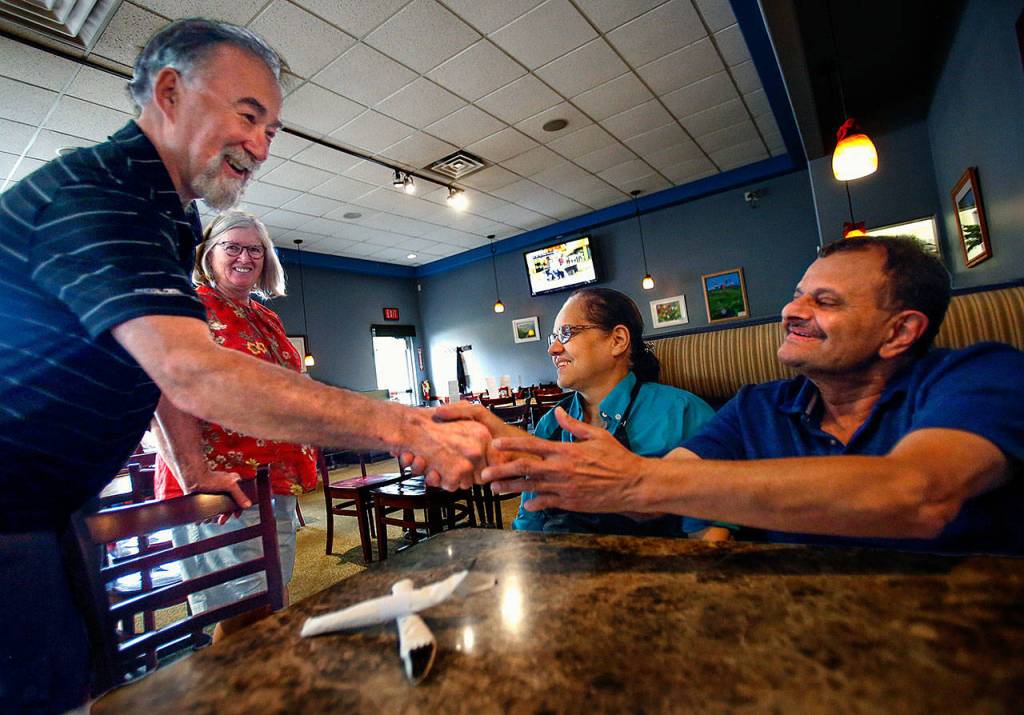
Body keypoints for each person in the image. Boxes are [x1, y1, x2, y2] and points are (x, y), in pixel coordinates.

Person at [0, 18, 488, 714]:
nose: (260, 146)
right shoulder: (100, 191)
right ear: (169, 91)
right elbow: (194, 371)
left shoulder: (169, 219)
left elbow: (158, 369)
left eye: (273, 131)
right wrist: (407, 426)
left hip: (47, 513)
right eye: (248, 116)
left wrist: (196, 469)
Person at [474, 236, 1024, 554]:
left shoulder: (981, 375)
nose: (792, 311)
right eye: (796, 295)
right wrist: (535, 460)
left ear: (900, 331)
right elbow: (670, 497)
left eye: (824, 301)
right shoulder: (757, 406)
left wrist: (636, 480)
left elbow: (917, 494)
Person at [152, 210, 316, 642]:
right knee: (244, 612)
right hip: (220, 483)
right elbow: (160, 395)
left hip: (273, 481)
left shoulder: (267, 318)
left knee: (271, 599)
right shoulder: (188, 307)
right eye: (233, 247)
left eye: (255, 250)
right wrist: (195, 477)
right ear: (208, 253)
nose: (245, 257)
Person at [513, 288, 722, 537]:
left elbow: (711, 533)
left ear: (618, 340)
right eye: (553, 338)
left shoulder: (683, 413)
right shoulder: (551, 425)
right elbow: (528, 527)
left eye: (566, 333)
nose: (553, 349)